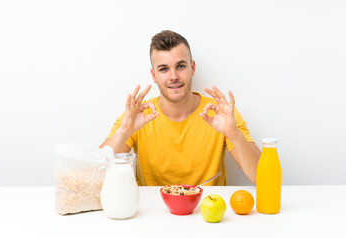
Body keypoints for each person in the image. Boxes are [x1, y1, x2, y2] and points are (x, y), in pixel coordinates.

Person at [100, 30, 261, 186]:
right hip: (150, 211)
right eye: (163, 69)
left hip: (208, 209)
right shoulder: (137, 115)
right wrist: (124, 132)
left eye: (181, 66)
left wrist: (234, 133)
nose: (173, 76)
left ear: (193, 68)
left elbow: (264, 180)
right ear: (153, 75)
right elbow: (93, 177)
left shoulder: (221, 113)